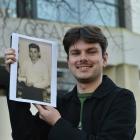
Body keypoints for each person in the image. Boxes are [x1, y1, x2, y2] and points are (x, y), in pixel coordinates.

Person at [5, 25, 136, 140]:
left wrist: (57, 123)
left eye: (91, 52)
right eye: (76, 53)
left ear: (104, 58)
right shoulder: (60, 103)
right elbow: (25, 136)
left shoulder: (122, 99)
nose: (83, 58)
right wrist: (13, 80)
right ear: (68, 61)